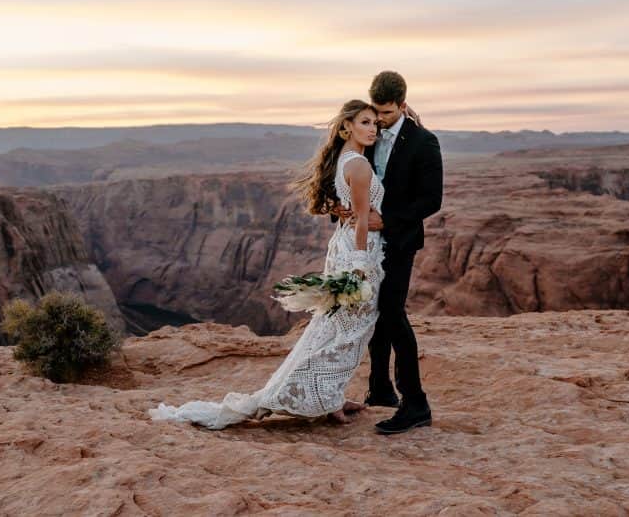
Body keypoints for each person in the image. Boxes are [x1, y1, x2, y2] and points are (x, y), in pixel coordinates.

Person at [148, 100, 385, 429]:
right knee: (351, 329)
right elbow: (362, 220)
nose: (373, 128)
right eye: (365, 122)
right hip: (359, 253)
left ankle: (329, 394)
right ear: (347, 127)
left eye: (375, 123)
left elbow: (346, 210)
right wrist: (361, 265)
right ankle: (323, 397)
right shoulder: (358, 165)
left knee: (335, 327)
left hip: (344, 247)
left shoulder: (344, 158)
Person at [339, 71, 443, 435]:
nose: (379, 120)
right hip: (371, 241)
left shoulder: (423, 141)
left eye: (385, 113)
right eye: (376, 113)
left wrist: (390, 222)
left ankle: (416, 404)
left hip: (398, 241)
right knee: (375, 311)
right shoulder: (370, 132)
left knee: (393, 314)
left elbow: (432, 199)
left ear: (401, 105)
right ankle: (381, 389)